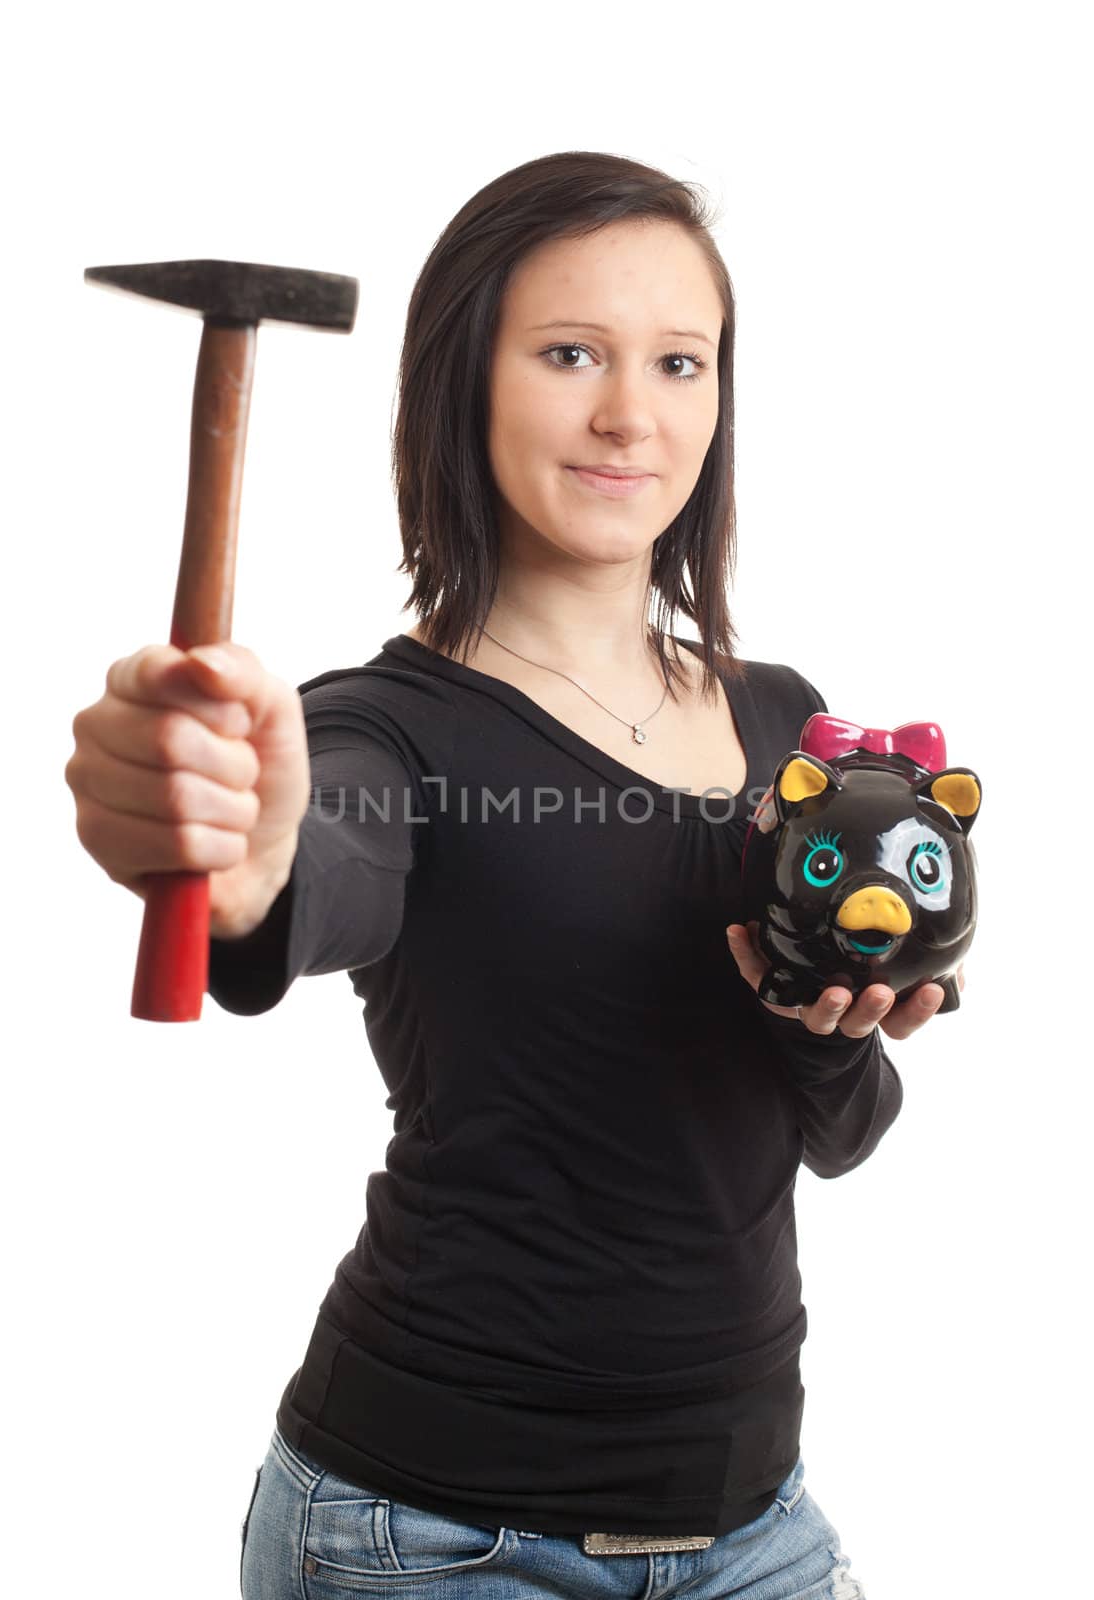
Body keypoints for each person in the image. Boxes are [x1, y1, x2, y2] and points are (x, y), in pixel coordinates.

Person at [66, 151, 961, 1600]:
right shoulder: (381, 732)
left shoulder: (784, 724)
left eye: (679, 361)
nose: (629, 412)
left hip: (755, 1525)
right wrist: (231, 852)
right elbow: (315, 866)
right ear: (461, 384)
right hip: (429, 1539)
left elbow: (834, 1136)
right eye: (568, 354)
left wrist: (834, 1020)